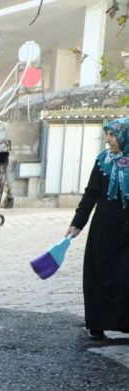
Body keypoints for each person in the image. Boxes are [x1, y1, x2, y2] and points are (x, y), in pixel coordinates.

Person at [66, 117, 129, 340]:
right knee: (99, 274)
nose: (108, 140)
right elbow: (91, 193)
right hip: (104, 229)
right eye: (108, 134)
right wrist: (77, 223)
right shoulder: (103, 161)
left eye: (112, 135)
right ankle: (97, 323)